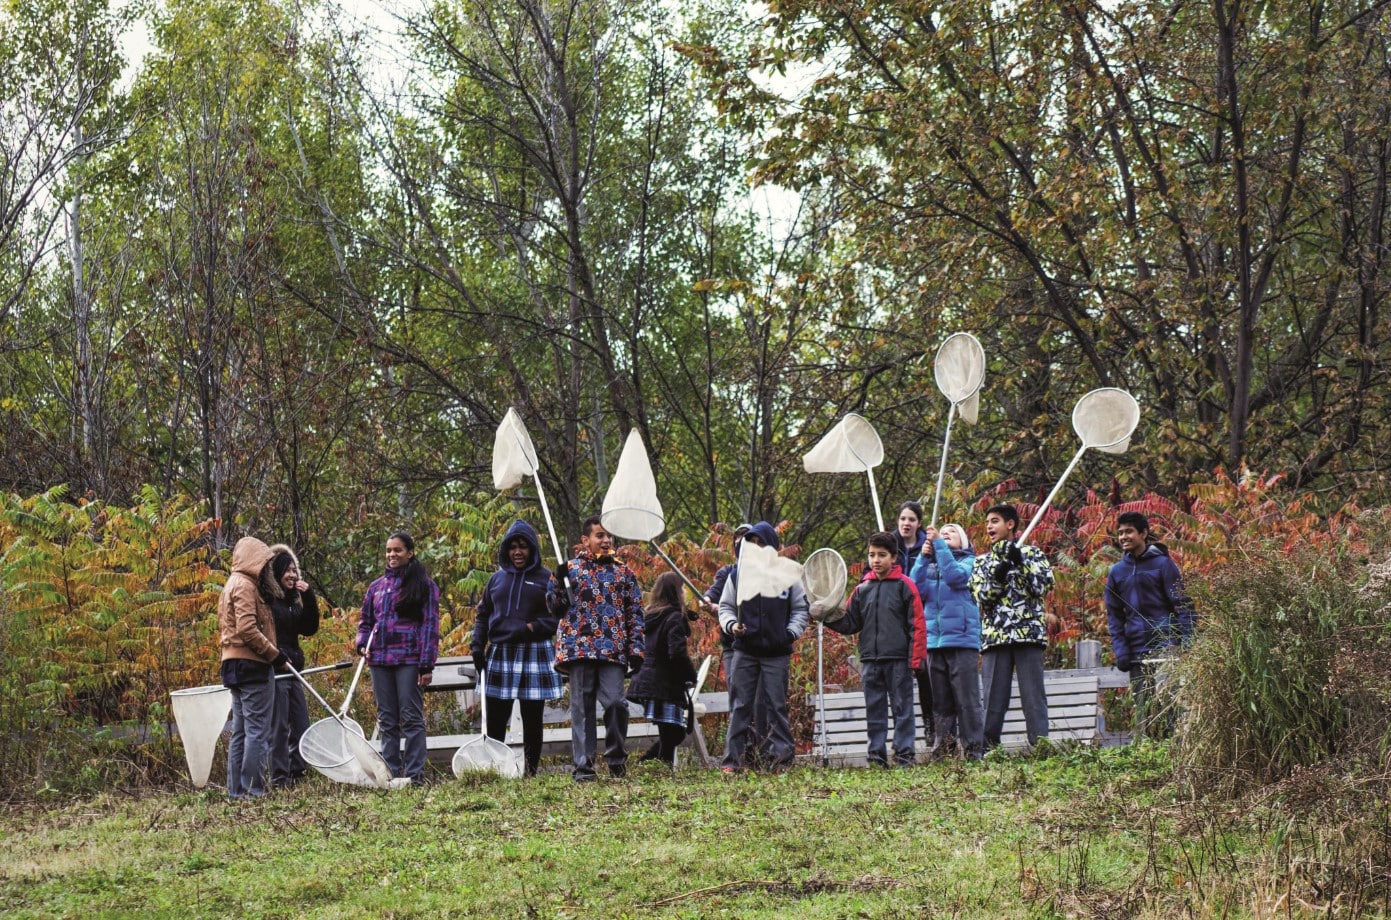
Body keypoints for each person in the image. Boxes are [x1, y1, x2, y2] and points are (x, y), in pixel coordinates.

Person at [548, 516, 645, 782]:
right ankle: (584, 767)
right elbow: (554, 609)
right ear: (585, 540)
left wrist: (636, 648)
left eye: (608, 536)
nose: (606, 540)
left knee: (616, 703)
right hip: (578, 648)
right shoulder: (569, 570)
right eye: (599, 535)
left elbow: (635, 613)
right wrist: (558, 584)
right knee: (582, 709)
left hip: (612, 649)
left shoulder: (623, 573)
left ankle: (616, 758)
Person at [825, 531, 927, 767]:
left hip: (898, 660)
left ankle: (904, 755)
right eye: (872, 555)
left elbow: (917, 625)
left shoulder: (905, 586)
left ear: (894, 557)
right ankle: (876, 757)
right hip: (870, 660)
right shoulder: (862, 589)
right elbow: (850, 622)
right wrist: (827, 616)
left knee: (902, 709)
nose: (876, 560)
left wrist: (915, 660)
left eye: (882, 555)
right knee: (874, 710)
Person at [471, 520, 563, 777]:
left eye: (523, 546)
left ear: (532, 549)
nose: (518, 552)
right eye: (512, 547)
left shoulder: (547, 578)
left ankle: (530, 772)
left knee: (532, 717)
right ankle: (497, 770)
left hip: (535, 651)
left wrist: (532, 627)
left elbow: (558, 617)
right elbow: (483, 615)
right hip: (500, 651)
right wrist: (477, 646)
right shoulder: (496, 579)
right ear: (506, 550)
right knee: (496, 718)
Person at [717, 521, 810, 772]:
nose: (756, 548)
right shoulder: (737, 575)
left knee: (776, 705)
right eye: (752, 544)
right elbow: (725, 607)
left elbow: (801, 609)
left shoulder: (788, 577)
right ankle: (733, 762)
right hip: (745, 650)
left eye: (762, 544)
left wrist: (789, 633)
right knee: (740, 706)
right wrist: (732, 626)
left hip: (776, 652)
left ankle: (781, 760)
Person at [968, 504, 1055, 751]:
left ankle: (1040, 747)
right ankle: (987, 750)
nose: (989, 526)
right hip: (996, 637)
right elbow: (981, 599)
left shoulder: (1033, 554)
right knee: (993, 699)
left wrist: (1021, 563)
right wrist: (998, 577)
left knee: (1033, 697)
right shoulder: (982, 562)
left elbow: (1042, 587)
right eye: (987, 522)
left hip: (1029, 635)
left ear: (1010, 524)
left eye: (994, 521)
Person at [357, 531, 440, 786]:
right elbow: (366, 622)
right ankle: (390, 775)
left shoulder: (424, 585)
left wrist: (426, 664)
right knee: (387, 719)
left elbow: (430, 626)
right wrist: (361, 643)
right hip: (379, 661)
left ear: (410, 553)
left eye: (397, 550)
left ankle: (415, 776)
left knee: (411, 717)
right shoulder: (376, 588)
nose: (392, 555)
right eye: (389, 550)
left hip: (409, 660)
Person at [1105, 511, 1195, 738]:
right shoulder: (1116, 572)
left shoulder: (1163, 565)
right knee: (1143, 708)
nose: (1123, 537)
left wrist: (1187, 640)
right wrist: (1121, 650)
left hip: (1166, 645)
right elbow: (1114, 616)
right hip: (1136, 649)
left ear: (1143, 533)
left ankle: (1174, 747)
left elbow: (1182, 604)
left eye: (1129, 532)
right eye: (1120, 533)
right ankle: (1147, 750)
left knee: (1169, 703)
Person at [218, 536, 288, 800]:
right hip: (252, 664)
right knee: (257, 731)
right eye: (265, 563)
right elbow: (247, 629)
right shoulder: (245, 586)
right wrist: (275, 655)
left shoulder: (231, 584)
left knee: (241, 731)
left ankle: (236, 791)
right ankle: (252, 790)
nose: (267, 569)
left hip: (233, 664)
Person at [913, 523, 985, 759]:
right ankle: (943, 751)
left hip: (962, 641)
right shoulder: (931, 566)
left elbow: (956, 578)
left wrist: (938, 544)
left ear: (963, 540)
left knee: (967, 700)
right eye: (942, 533)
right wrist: (923, 558)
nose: (945, 534)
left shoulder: (971, 562)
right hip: (935, 643)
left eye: (951, 532)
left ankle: (974, 751)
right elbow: (915, 590)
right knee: (941, 702)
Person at [627, 571, 699, 768]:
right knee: (673, 732)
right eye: (682, 588)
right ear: (676, 592)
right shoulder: (674, 617)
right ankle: (653, 767)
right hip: (664, 682)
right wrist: (690, 675)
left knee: (670, 731)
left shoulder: (651, 616)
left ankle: (651, 766)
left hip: (648, 679)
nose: (684, 592)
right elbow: (677, 653)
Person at [266, 544, 321, 788]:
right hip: (277, 669)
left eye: (293, 570)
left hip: (295, 671)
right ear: (276, 573)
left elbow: (309, 628)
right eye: (286, 571)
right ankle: (279, 776)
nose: (292, 575)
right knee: (279, 726)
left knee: (300, 723)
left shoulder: (292, 602)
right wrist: (279, 656)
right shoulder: (269, 602)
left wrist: (308, 597)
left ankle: (298, 771)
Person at [894, 500, 934, 747]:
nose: (906, 523)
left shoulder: (928, 547)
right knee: (900, 675)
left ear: (919, 523)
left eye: (911, 519)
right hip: (896, 618)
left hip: (922, 615)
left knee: (924, 673)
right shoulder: (889, 546)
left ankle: (930, 723)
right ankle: (903, 731)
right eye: (903, 519)